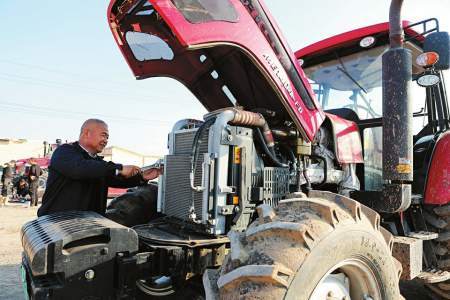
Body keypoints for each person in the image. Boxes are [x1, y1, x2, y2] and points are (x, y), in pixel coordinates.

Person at [38, 119, 162, 217]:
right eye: (103, 135)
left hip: (90, 226)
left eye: (107, 137)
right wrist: (120, 168)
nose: (106, 141)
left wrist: (142, 176)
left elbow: (116, 178)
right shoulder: (64, 152)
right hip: (57, 224)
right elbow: (80, 168)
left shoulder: (98, 164)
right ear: (87, 133)